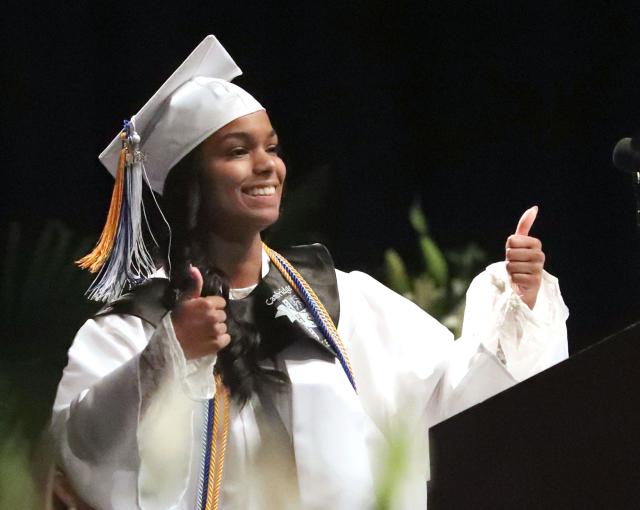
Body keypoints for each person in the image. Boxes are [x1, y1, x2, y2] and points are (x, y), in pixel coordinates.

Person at [51, 35, 569, 510]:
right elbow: (83, 454)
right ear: (189, 184)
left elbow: (448, 403)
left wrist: (516, 308)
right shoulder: (132, 328)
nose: (267, 165)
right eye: (237, 151)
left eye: (271, 148)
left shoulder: (337, 301)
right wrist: (168, 354)